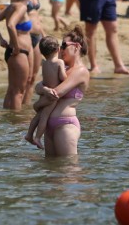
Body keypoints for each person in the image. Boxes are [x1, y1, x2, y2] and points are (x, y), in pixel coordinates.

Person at [35, 25, 91, 157]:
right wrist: (42, 88)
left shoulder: (81, 71)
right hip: (49, 125)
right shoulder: (60, 67)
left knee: (67, 171)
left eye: (64, 45)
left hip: (65, 126)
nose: (61, 49)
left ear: (76, 47)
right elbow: (38, 87)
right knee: (51, 171)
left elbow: (56, 93)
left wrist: (36, 105)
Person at [0, 0, 35, 109]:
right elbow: (10, 25)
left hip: (17, 51)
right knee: (18, 92)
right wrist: (15, 45)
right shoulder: (21, 7)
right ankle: (16, 122)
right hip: (18, 52)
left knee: (12, 90)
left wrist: (1, 39)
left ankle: (8, 120)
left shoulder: (11, 7)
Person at [24, 36, 67, 148]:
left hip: (44, 92)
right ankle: (38, 138)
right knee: (44, 116)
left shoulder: (44, 63)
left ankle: (29, 134)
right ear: (58, 49)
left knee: (38, 115)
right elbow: (63, 77)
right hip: (52, 95)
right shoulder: (59, 62)